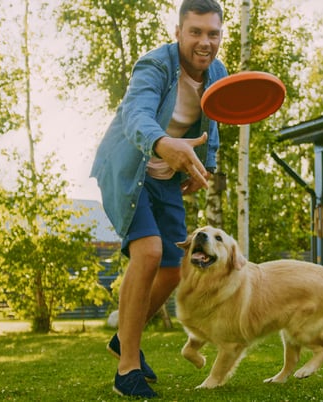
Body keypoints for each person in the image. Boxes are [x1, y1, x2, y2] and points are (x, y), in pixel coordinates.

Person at [90, 0, 227, 397]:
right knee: (148, 252)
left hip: (168, 174)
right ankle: (127, 367)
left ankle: (123, 337)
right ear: (178, 32)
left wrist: (207, 166)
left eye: (213, 33)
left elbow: (212, 122)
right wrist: (164, 144)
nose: (205, 42)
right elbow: (136, 114)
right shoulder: (155, 66)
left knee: (173, 265)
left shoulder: (217, 73)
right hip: (129, 168)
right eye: (196, 32)